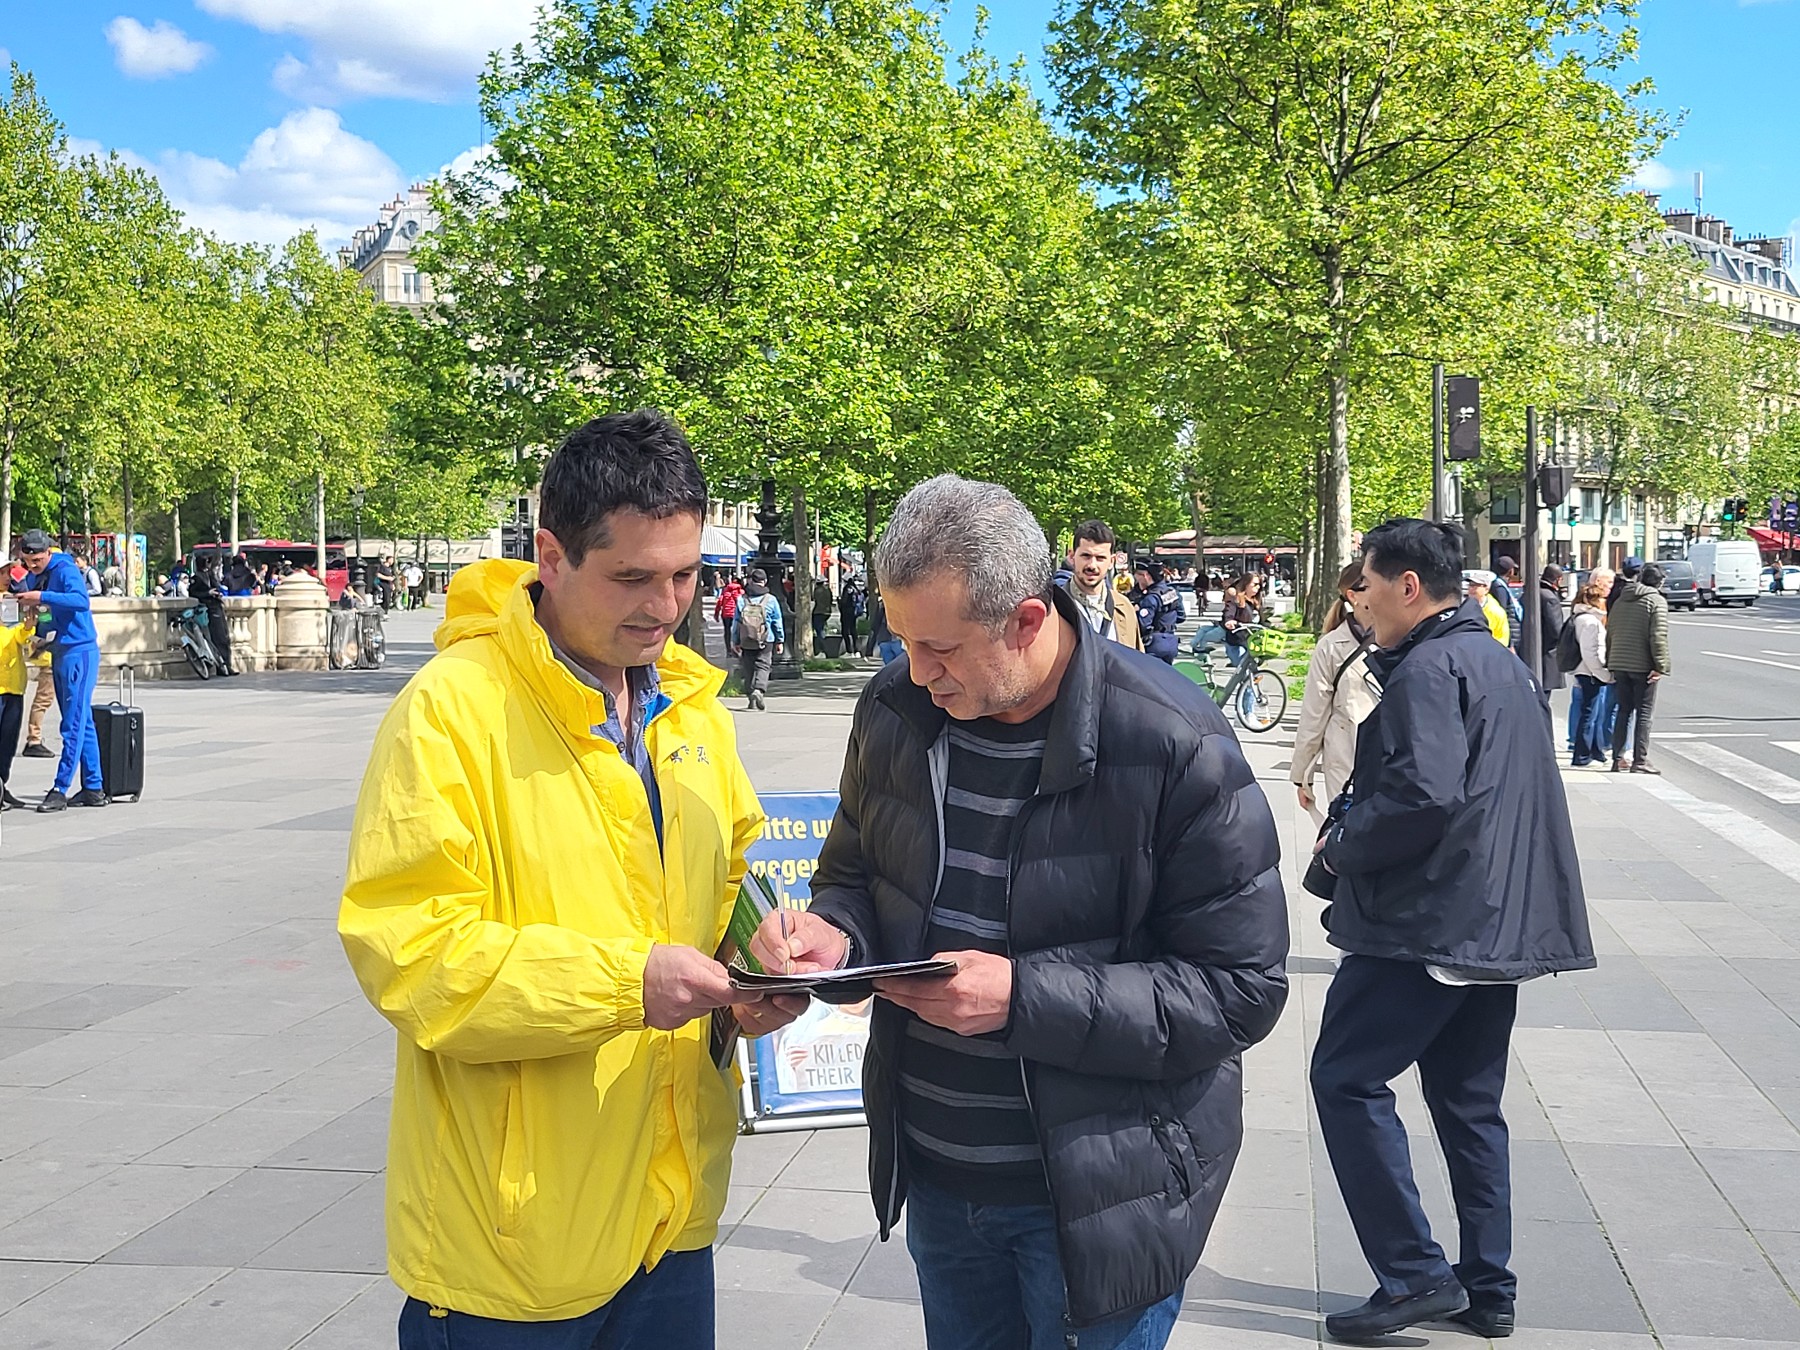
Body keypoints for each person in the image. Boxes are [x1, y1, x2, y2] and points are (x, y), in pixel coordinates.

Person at [750, 474, 1288, 1350]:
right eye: (902, 642)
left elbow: (1240, 990)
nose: (917, 673)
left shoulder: (1172, 740)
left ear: (1029, 620)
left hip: (1103, 1194)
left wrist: (1020, 999)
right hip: (937, 1178)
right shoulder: (893, 709)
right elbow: (853, 876)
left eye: (941, 649)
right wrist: (830, 936)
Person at [339, 409, 802, 1350]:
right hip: (516, 1249)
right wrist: (628, 985)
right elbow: (413, 957)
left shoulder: (692, 709)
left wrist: (758, 962)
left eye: (685, 576)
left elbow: (729, 883)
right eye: (632, 578)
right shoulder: (451, 711)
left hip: (673, 1218)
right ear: (549, 556)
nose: (665, 606)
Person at [1311, 518, 1593, 1344]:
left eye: (1366, 586)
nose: (1359, 603)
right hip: (1495, 923)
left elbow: (1421, 798)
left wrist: (1341, 846)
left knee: (1344, 1080)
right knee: (1470, 1106)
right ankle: (1488, 1287)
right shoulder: (1498, 662)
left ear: (1408, 586)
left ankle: (1413, 1275)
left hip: (1429, 922)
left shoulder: (1430, 670)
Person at [15, 530, 106, 811]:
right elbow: (46, 609)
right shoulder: (36, 575)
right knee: (81, 721)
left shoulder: (65, 569)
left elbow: (81, 601)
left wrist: (41, 595)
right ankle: (94, 787)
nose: (32, 566)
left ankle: (60, 787)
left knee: (73, 723)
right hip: (59, 650)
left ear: (48, 552)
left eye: (37, 560)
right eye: (27, 561)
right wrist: (39, 629)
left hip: (79, 651)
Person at [1291, 561, 1378, 820]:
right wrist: (1302, 777)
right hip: (1345, 760)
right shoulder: (1330, 646)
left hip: (1391, 763)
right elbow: (1313, 714)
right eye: (1371, 585)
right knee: (1347, 831)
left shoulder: (1403, 639)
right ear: (1353, 596)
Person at [1606, 561, 1670, 775]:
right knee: (1644, 712)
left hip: (1619, 661)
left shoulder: (1621, 599)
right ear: (1660, 582)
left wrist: (1610, 659)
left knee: (1624, 711)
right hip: (1642, 664)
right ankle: (1639, 760)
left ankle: (1617, 759)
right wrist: (1660, 665)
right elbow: (1658, 636)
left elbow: (1610, 630)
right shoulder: (1655, 601)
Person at [1054, 519, 1142, 650]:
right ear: (1072, 557)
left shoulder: (1124, 608)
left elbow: (1137, 659)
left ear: (1111, 561)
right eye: (1086, 556)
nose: (1092, 565)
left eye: (1100, 558)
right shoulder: (1054, 608)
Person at [1567, 574, 1614, 767]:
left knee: (1592, 713)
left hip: (1584, 670)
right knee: (1589, 715)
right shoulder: (1591, 622)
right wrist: (1604, 674)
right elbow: (1591, 653)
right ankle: (1582, 756)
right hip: (1590, 672)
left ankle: (1595, 751)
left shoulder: (1580, 617)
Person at [730, 567, 784, 710]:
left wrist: (735, 641)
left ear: (750, 581)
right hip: (766, 638)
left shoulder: (742, 599)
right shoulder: (770, 600)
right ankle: (758, 690)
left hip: (746, 639)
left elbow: (736, 622)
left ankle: (750, 697)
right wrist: (780, 640)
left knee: (748, 667)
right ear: (764, 581)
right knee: (763, 665)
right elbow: (777, 622)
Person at [0, 601, 36, 809]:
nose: (7, 583)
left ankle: (2, 785)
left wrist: (28, 627)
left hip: (13, 686)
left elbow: (22, 638)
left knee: (8, 741)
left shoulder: (11, 604)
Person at [1129, 556, 1184, 662]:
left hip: (1154, 645)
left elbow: (1143, 625)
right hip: (1171, 642)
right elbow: (1181, 617)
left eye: (1138, 576)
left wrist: (1135, 612)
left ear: (1145, 576)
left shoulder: (1150, 598)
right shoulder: (1172, 592)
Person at [189, 568, 236, 676]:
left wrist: (217, 593)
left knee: (224, 638)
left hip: (216, 606)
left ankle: (226, 665)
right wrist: (208, 593)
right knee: (219, 638)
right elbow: (193, 593)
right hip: (210, 608)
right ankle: (223, 666)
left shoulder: (210, 576)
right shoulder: (198, 577)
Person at [1537, 565, 1567, 695]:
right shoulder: (1550, 598)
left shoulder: (1535, 592)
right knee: (1545, 694)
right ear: (1558, 579)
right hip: (1547, 651)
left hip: (1535, 649)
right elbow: (1556, 630)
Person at [1463, 570, 1510, 646]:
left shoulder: (1495, 611)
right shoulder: (1463, 607)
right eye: (1470, 585)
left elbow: (1502, 640)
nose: (1471, 589)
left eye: (1475, 586)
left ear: (1486, 589)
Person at [1492, 556, 1524, 650]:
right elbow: (1502, 615)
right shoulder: (1500, 588)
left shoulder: (1500, 585)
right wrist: (1510, 644)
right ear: (1510, 571)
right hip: (1507, 639)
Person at [867, 585, 903, 664]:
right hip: (895, 639)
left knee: (890, 664)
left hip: (885, 639)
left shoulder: (882, 607)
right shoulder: (899, 607)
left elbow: (875, 624)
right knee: (900, 663)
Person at [712, 572, 744, 653]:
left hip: (726, 614)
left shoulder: (725, 591)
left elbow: (720, 602)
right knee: (738, 631)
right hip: (736, 614)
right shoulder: (741, 592)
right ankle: (737, 648)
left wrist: (716, 614)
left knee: (727, 631)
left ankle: (728, 650)